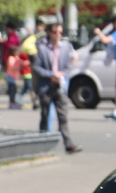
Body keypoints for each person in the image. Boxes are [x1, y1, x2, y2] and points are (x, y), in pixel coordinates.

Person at [32, 22, 83, 154]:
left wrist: (61, 75)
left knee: (63, 116)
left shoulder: (65, 47)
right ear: (49, 33)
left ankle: (68, 143)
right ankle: (42, 144)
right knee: (45, 115)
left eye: (60, 32)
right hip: (46, 86)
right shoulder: (42, 48)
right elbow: (36, 67)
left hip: (60, 86)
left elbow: (68, 66)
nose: (58, 35)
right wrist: (51, 75)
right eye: (55, 32)